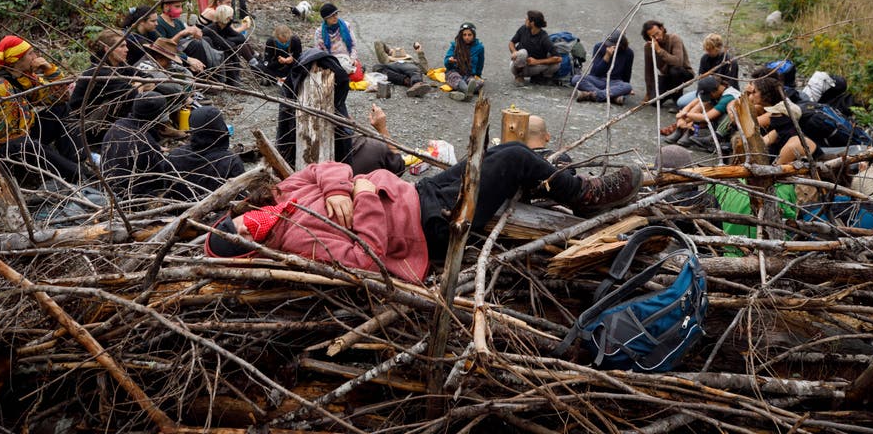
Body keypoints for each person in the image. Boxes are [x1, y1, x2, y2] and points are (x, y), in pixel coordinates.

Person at [204, 145, 644, 282]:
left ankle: (558, 180)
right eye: (242, 234)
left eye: (237, 222)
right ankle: (587, 195)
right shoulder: (298, 243)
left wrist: (341, 183)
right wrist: (363, 190)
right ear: (249, 247)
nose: (246, 224)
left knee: (499, 151)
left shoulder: (283, 199)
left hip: (419, 193)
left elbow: (325, 168)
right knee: (514, 161)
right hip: (429, 228)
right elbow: (369, 257)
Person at [0, 35, 78, 182]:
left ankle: (77, 158)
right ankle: (77, 174)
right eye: (30, 54)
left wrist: (49, 70)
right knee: (26, 144)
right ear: (16, 60)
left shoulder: (26, 81)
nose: (36, 57)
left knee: (61, 109)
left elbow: (61, 97)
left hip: (21, 139)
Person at [67, 29, 152, 156]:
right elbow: (132, 94)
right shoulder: (99, 71)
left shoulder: (119, 65)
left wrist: (138, 85)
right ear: (108, 49)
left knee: (148, 96)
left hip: (100, 118)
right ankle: (119, 140)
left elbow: (149, 78)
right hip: (85, 126)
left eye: (126, 45)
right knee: (125, 99)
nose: (127, 50)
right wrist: (137, 85)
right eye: (122, 46)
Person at [101, 91, 185, 198]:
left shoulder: (118, 125)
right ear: (158, 116)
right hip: (130, 197)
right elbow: (160, 180)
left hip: (108, 186)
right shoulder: (145, 143)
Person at [164, 105, 247, 200]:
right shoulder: (231, 162)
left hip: (179, 211)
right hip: (218, 213)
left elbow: (167, 191)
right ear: (221, 128)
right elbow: (241, 199)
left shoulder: (175, 155)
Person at [665, 75, 741, 150]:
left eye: (709, 95)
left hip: (730, 127)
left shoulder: (729, 97)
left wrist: (685, 114)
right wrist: (682, 119)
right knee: (702, 104)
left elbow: (707, 117)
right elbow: (692, 104)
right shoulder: (715, 90)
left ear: (715, 91)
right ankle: (682, 129)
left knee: (706, 106)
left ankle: (696, 132)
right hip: (717, 118)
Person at [152, 0, 215, 72]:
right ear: (166, 6)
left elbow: (187, 38)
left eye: (181, 7)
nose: (180, 10)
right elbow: (164, 47)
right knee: (196, 45)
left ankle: (210, 69)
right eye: (177, 6)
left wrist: (194, 32)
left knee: (206, 39)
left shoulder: (177, 21)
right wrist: (181, 33)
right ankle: (202, 73)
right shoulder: (159, 23)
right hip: (174, 54)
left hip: (184, 51)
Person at [199, 4, 260, 85]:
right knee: (235, 48)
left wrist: (227, 40)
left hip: (221, 50)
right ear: (227, 18)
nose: (232, 18)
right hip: (212, 56)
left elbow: (241, 38)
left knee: (238, 46)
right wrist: (228, 41)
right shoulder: (211, 30)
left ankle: (241, 73)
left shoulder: (225, 26)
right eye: (231, 16)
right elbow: (227, 45)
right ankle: (235, 77)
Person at [640, 20, 693, 110]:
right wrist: (648, 93)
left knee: (675, 70)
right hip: (667, 75)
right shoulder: (648, 47)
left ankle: (678, 100)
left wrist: (659, 50)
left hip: (683, 72)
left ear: (662, 29)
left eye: (658, 33)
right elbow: (649, 71)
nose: (657, 37)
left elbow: (678, 62)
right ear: (649, 37)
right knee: (654, 102)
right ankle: (670, 94)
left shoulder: (674, 39)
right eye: (653, 36)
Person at [572, 29, 634, 105]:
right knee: (576, 79)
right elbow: (595, 72)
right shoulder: (599, 46)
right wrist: (607, 56)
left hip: (614, 82)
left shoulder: (629, 53)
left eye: (612, 44)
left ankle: (590, 95)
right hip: (596, 79)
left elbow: (627, 73)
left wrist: (627, 90)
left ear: (620, 44)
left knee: (627, 86)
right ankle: (611, 97)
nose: (608, 45)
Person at [677, 33, 739, 107]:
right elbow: (701, 78)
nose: (707, 52)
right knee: (681, 102)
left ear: (718, 48)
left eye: (710, 50)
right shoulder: (705, 58)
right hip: (706, 91)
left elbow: (729, 84)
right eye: (706, 49)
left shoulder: (730, 62)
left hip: (723, 94)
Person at [509, 10, 561, 85]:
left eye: (527, 19)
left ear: (532, 23)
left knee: (556, 64)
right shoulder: (523, 29)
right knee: (523, 52)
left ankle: (542, 77)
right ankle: (519, 76)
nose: (525, 20)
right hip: (517, 65)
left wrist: (537, 62)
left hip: (533, 67)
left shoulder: (544, 38)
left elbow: (558, 58)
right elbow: (511, 42)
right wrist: (514, 52)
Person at [444, 22, 485, 101]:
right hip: (454, 72)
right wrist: (450, 61)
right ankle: (467, 92)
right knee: (456, 78)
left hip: (468, 74)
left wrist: (478, 75)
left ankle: (462, 94)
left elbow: (480, 63)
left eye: (469, 35)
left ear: (474, 35)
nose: (467, 37)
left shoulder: (479, 47)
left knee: (479, 82)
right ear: (461, 35)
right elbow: (446, 62)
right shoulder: (455, 45)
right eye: (464, 35)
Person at [319, 3, 360, 76]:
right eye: (331, 16)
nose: (335, 17)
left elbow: (354, 45)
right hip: (331, 59)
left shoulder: (346, 26)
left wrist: (353, 59)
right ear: (326, 18)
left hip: (347, 58)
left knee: (344, 67)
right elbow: (320, 52)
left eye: (336, 14)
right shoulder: (319, 32)